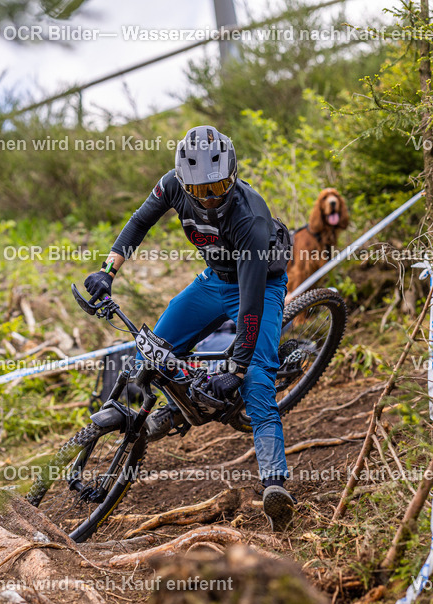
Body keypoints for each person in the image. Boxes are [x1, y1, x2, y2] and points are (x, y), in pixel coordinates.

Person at [84, 125, 296, 531]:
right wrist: (108, 271)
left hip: (260, 286)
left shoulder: (250, 216)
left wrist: (235, 370)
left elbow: (250, 308)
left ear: (232, 176)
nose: (209, 198)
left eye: (217, 187)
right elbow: (139, 222)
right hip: (214, 279)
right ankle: (175, 410)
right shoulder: (172, 186)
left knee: (256, 378)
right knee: (154, 351)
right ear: (182, 182)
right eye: (199, 192)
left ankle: (275, 483)